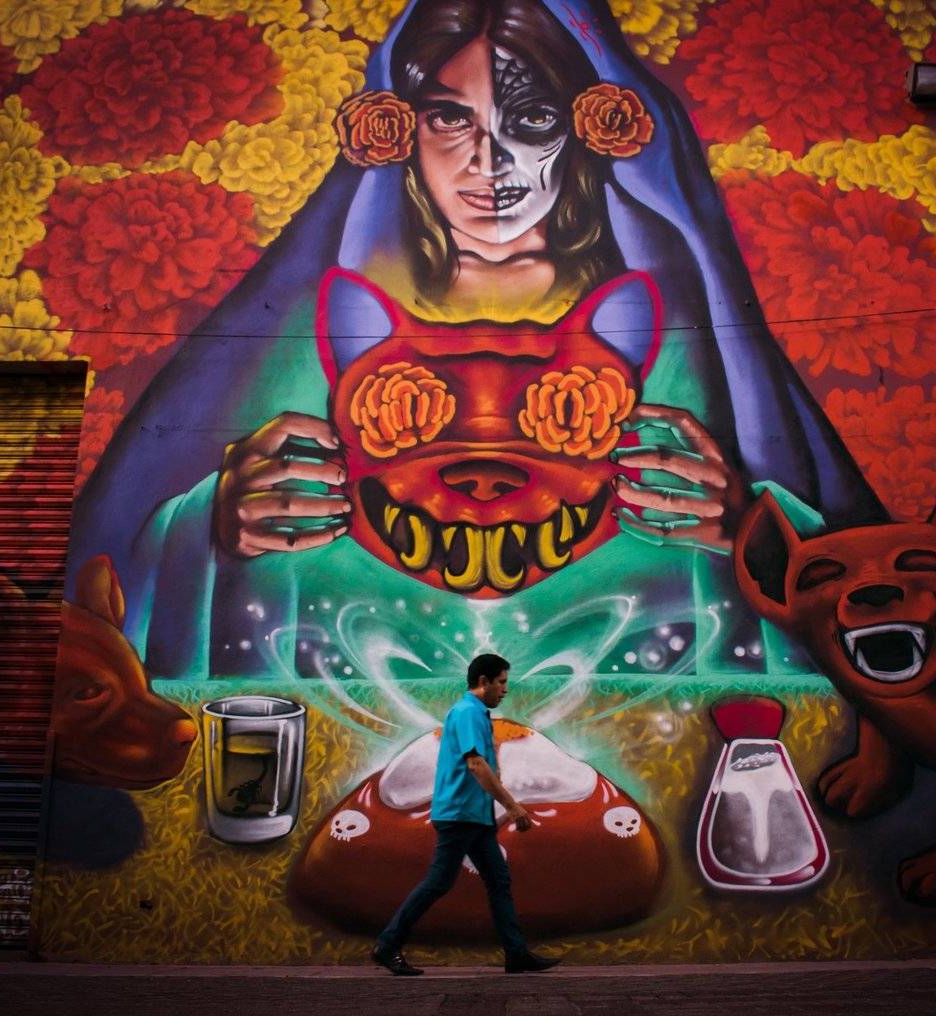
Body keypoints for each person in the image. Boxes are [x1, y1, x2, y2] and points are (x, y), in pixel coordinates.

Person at [68, 0, 884, 681]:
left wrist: (746, 532)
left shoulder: (666, 308)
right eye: (450, 117)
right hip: (353, 684)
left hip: (634, 683)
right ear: (402, 129)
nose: (489, 160)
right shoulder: (321, 306)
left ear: (586, 128)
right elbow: (126, 575)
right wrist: (216, 522)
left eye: (532, 119)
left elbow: (829, 558)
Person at [371, 653, 561, 976]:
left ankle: (516, 954)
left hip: (475, 816)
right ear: (484, 681)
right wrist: (513, 807)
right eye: (501, 682)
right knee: (439, 882)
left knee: (498, 880)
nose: (505, 689)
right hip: (460, 814)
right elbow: (475, 764)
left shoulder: (477, 714)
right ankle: (387, 945)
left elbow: (484, 765)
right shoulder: (468, 712)